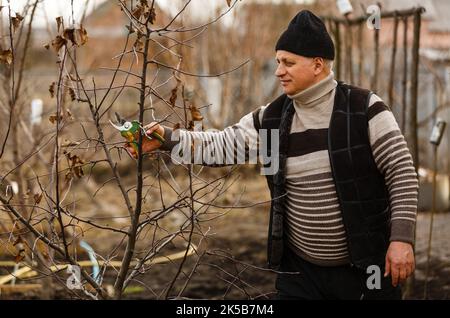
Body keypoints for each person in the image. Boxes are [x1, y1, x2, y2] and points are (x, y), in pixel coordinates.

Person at [126, 10, 418, 300]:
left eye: (288, 63)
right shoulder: (273, 120)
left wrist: (402, 239)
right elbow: (222, 145)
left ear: (318, 65)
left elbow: (402, 173)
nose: (279, 70)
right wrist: (166, 139)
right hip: (300, 274)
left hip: (365, 270)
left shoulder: (363, 108)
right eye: (278, 61)